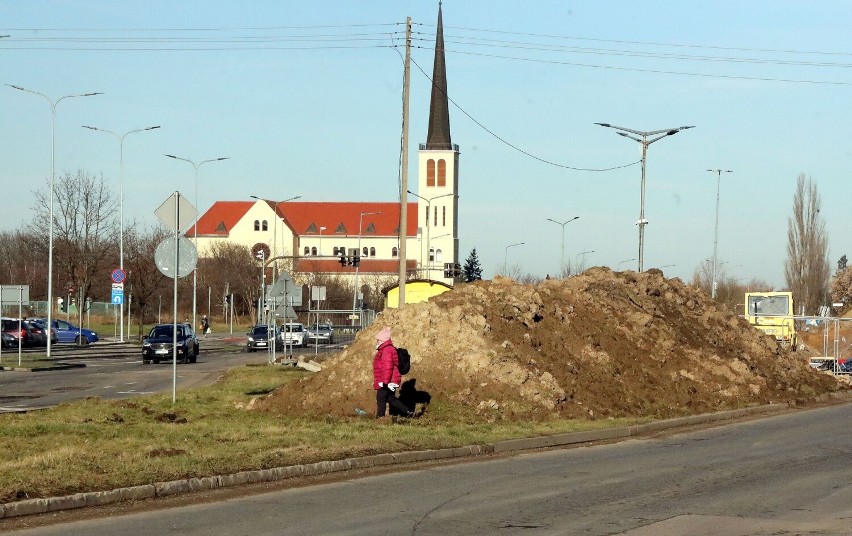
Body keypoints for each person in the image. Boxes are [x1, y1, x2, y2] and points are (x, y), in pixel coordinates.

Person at [372, 327, 413, 419]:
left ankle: (380, 418)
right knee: (390, 398)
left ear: (382, 340)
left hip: (388, 380)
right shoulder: (386, 349)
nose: (376, 341)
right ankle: (408, 411)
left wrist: (384, 382)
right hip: (390, 380)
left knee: (381, 397)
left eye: (378, 340)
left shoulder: (387, 350)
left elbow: (387, 367)